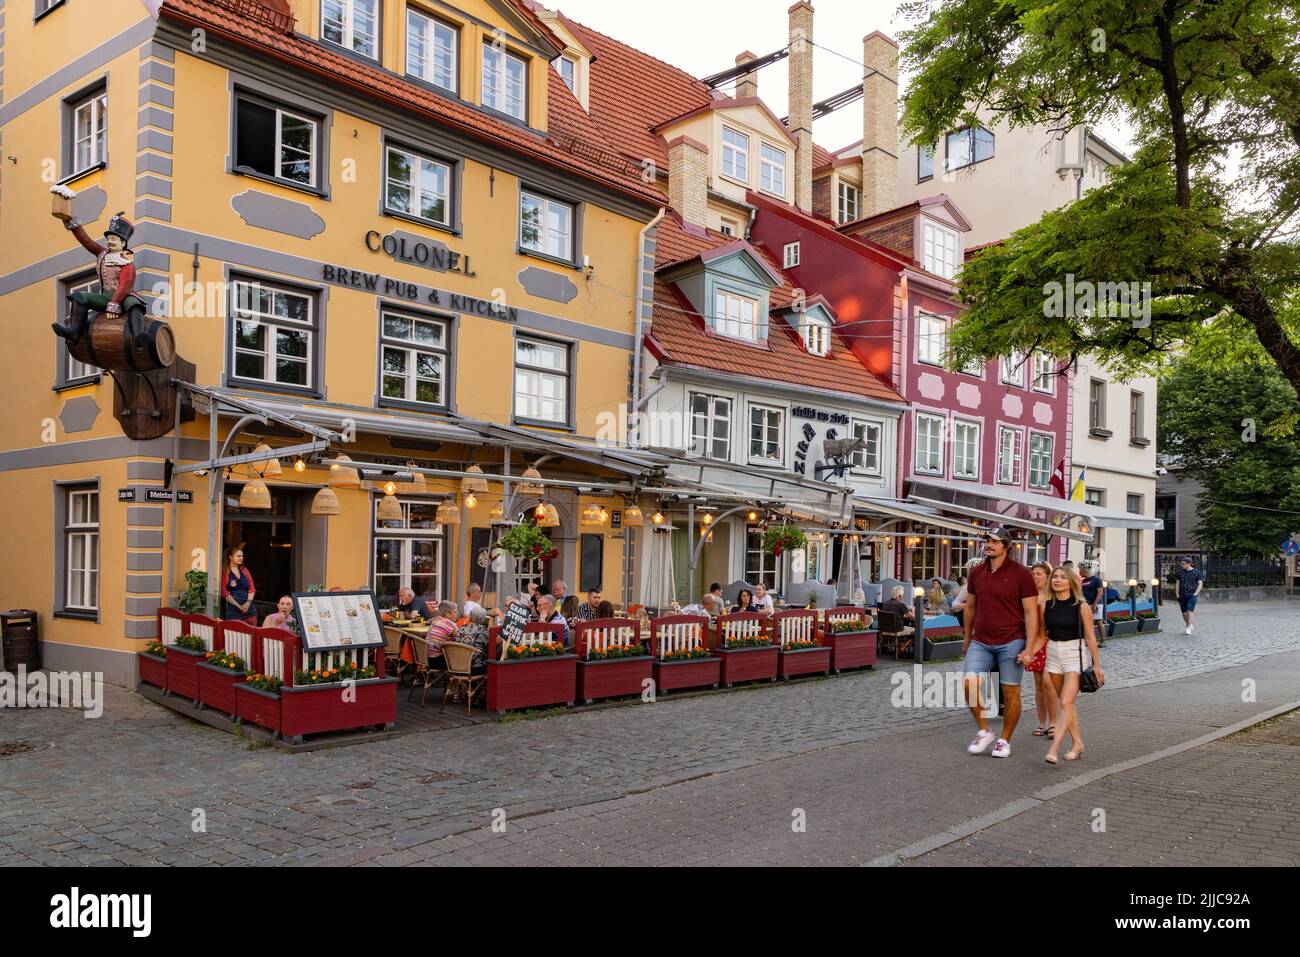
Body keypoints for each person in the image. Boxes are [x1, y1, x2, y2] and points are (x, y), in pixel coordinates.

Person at [962, 528, 1039, 759]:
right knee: (969, 683)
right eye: (988, 541)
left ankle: (1005, 740)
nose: (989, 545)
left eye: (995, 542)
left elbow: (1031, 612)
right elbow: (970, 607)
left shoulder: (1021, 574)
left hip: (1012, 639)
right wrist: (967, 638)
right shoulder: (977, 572)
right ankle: (984, 731)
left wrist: (1030, 647)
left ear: (1006, 546)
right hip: (981, 640)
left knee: (1010, 691)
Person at [1022, 567, 1104, 764]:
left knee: (1065, 703)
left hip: (1074, 655)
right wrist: (1029, 653)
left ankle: (1054, 749)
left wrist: (1097, 665)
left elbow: (1091, 637)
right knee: (1067, 704)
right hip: (1053, 655)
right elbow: (1043, 635)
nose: (1057, 580)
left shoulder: (1081, 605)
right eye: (1055, 577)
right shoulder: (1046, 605)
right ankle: (1077, 743)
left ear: (1071, 582)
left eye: (1062, 577)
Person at [1027, 562, 1059, 740]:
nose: (1035, 577)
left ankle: (1053, 722)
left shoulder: (1052, 597)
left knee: (1050, 684)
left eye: (1039, 573)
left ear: (1047, 576)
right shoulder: (1030, 597)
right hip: (1035, 643)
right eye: (1033, 573)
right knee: (1039, 684)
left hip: (1051, 643)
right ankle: (1042, 723)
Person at [220, 544, 256, 622]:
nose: (241, 558)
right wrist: (239, 606)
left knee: (251, 631)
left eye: (242, 556)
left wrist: (247, 603)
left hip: (248, 608)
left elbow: (252, 589)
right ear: (230, 557)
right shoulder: (224, 571)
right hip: (232, 609)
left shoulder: (245, 570)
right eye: (238, 556)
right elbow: (224, 593)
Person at [453, 606, 490, 674]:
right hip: (474, 669)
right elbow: (488, 647)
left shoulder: (461, 628)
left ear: (470, 616)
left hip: (457, 667)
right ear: (483, 619)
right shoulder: (483, 630)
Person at [424, 600, 459, 670]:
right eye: (455, 612)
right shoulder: (449, 624)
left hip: (426, 659)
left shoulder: (436, 620)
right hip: (438, 660)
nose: (457, 614)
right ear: (447, 614)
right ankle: (458, 678)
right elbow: (460, 637)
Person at [1176, 556, 1206, 635]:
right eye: (1181, 563)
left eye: (1183, 563)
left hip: (1192, 594)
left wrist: (1195, 593)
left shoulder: (1197, 572)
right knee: (1184, 612)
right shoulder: (1180, 572)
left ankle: (1188, 627)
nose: (1181, 565)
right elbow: (1177, 583)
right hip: (1182, 594)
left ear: (1189, 564)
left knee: (1190, 610)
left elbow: (1200, 583)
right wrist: (1177, 594)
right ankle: (1189, 624)